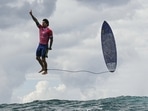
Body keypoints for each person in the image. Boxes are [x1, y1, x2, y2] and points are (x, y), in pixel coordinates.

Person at [29, 10, 53, 74]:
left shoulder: (49, 30)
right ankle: (43, 67)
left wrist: (50, 47)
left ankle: (46, 70)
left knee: (43, 59)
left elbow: (51, 39)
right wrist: (31, 15)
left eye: (44, 23)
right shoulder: (40, 27)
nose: (42, 23)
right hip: (40, 45)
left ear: (47, 24)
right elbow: (36, 21)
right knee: (37, 58)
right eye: (42, 22)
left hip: (45, 46)